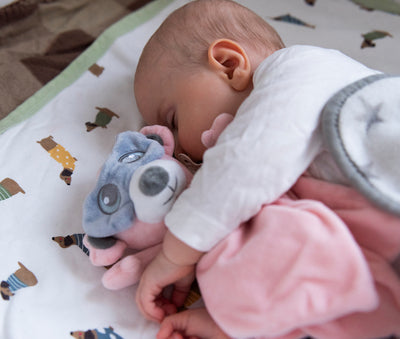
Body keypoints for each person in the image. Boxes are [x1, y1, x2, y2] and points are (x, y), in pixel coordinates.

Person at [133, 0, 400, 338]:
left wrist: (176, 253)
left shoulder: (297, 71)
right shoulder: (291, 171)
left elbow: (242, 165)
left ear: (229, 65)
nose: (178, 149)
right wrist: (227, 322)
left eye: (172, 120)